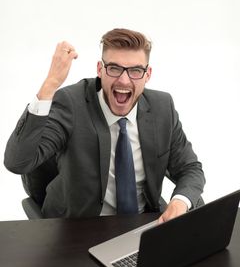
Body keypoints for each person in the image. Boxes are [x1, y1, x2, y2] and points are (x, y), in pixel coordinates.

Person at [4, 28, 205, 222]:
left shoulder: (162, 107)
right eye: (114, 68)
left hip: (142, 225)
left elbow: (190, 169)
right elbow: (17, 162)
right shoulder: (71, 104)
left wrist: (180, 202)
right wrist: (50, 84)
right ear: (100, 69)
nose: (124, 80)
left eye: (135, 70)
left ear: (148, 74)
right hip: (76, 229)